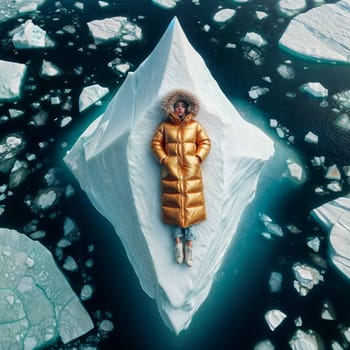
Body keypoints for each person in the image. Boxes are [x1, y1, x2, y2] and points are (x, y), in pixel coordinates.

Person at [151, 89, 211, 267]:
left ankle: (190, 245)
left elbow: (205, 142)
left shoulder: (195, 126)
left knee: (191, 205)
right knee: (174, 205)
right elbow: (155, 143)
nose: (179, 109)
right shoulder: (165, 126)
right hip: (171, 171)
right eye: (176, 106)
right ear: (172, 108)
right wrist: (164, 159)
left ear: (187, 108)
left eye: (181, 106)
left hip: (191, 171)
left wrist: (197, 157)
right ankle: (177, 244)